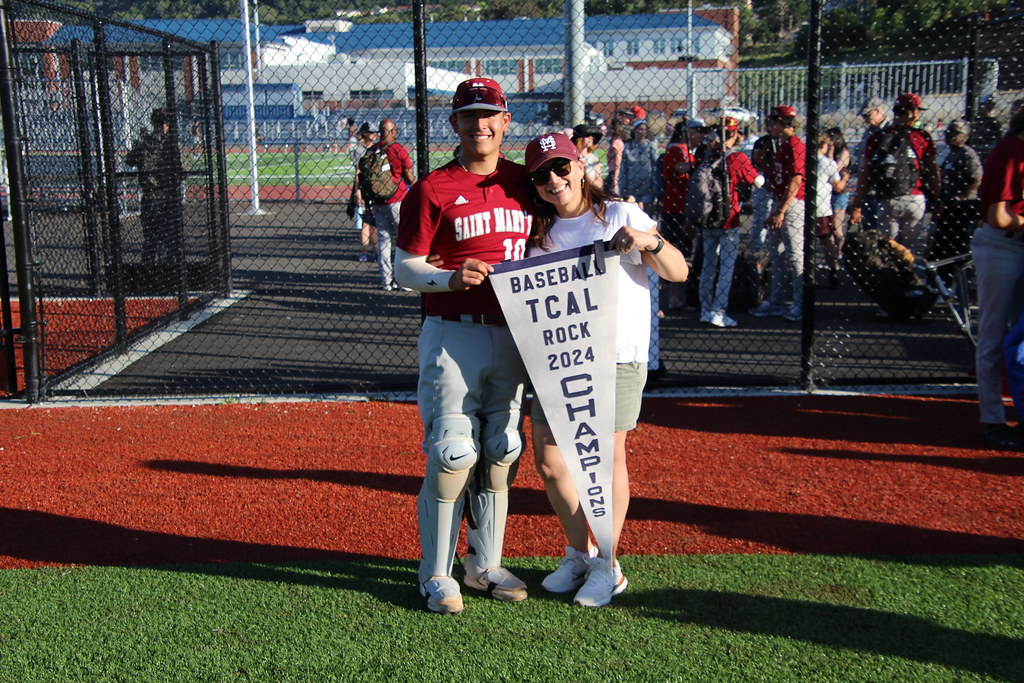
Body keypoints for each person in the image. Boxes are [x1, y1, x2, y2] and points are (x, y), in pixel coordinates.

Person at [523, 132, 688, 606]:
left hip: (616, 354)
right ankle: (580, 551)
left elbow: (677, 271)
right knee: (553, 464)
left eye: (560, 167)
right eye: (541, 175)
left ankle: (608, 563)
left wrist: (649, 240)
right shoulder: (537, 231)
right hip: (558, 356)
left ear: (579, 165)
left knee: (606, 459)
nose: (554, 180)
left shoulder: (619, 214)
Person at [394, 77, 534, 615]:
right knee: (454, 453)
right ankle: (435, 574)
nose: (480, 124)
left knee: (502, 450)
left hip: (517, 334)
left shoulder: (527, 182)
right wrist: (450, 278)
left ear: (505, 120)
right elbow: (407, 267)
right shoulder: (431, 189)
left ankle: (485, 563)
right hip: (453, 333)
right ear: (453, 123)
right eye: (469, 115)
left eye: (489, 115)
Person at [970, 107, 1024, 449]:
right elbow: (998, 217)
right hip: (1002, 247)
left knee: (1018, 338)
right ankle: (993, 418)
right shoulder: (1011, 151)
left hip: (1015, 244)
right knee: (992, 333)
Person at [849, 93, 941, 260]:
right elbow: (933, 171)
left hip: (887, 198)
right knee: (908, 249)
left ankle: (891, 278)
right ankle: (907, 279)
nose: (918, 115)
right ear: (911, 112)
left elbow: (865, 173)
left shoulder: (878, 137)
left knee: (888, 247)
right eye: (917, 111)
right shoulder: (921, 136)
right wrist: (937, 198)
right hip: (915, 197)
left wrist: (857, 203)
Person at [696, 118, 763, 327]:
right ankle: (719, 311)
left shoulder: (708, 156)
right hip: (729, 219)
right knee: (726, 267)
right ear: (733, 135)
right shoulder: (737, 157)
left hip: (707, 219)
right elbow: (758, 182)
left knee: (708, 266)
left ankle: (705, 309)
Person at [749, 105, 806, 323]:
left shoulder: (794, 145)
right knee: (776, 255)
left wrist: (781, 210)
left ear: (782, 123)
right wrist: (763, 163)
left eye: (773, 122)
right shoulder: (781, 146)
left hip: (791, 204)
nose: (769, 127)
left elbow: (796, 179)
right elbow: (778, 180)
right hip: (780, 201)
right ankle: (776, 301)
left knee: (795, 256)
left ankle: (799, 304)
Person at [361, 118, 415, 290]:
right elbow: (408, 175)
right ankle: (404, 281)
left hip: (377, 202)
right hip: (397, 199)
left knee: (384, 241)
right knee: (403, 240)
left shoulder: (373, 150)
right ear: (393, 132)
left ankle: (386, 281)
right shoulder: (398, 149)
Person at [125, 108, 183, 268]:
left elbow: (129, 160)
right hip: (169, 195)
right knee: (170, 238)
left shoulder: (143, 143)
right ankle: (171, 270)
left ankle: (148, 270)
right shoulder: (172, 145)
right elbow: (183, 171)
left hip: (150, 195)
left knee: (151, 238)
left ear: (152, 123)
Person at [930, 119, 982, 278]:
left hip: (962, 207)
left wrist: (960, 197)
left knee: (957, 245)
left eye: (954, 133)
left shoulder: (967, 153)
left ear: (964, 136)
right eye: (948, 132)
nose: (949, 136)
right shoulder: (952, 154)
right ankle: (943, 278)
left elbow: (977, 177)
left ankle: (959, 278)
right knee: (942, 245)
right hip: (949, 206)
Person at [660, 119, 698, 309]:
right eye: (696, 131)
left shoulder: (689, 150)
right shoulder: (677, 149)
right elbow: (681, 167)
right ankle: (669, 299)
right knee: (674, 252)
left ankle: (679, 298)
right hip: (674, 208)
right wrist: (699, 162)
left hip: (684, 207)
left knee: (684, 252)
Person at [814, 132, 847, 287]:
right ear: (823, 145)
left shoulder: (805, 160)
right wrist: (846, 177)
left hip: (804, 206)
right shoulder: (827, 162)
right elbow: (838, 186)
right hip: (822, 208)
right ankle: (833, 270)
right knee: (827, 241)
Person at [852, 97, 889, 234]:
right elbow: (860, 155)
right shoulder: (868, 132)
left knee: (883, 231)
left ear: (879, 111)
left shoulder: (889, 130)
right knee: (869, 230)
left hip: (882, 188)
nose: (865, 119)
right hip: (867, 187)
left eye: (867, 115)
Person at [747, 119, 778, 255]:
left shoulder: (784, 142)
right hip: (765, 183)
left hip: (780, 184)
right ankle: (756, 250)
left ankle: (775, 251)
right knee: (761, 216)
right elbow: (756, 164)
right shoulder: (763, 142)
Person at [825, 127, 852, 280]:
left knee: (836, 227)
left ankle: (840, 253)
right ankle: (834, 256)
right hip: (828, 192)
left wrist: (829, 153)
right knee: (829, 227)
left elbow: (834, 168)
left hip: (840, 193)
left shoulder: (844, 152)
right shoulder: (828, 153)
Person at [348, 122, 378, 263]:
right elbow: (358, 173)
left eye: (375, 132)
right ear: (365, 133)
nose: (374, 135)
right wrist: (357, 191)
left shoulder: (378, 149)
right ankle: (365, 251)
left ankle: (377, 250)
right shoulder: (359, 150)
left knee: (376, 224)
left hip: (376, 189)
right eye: (371, 132)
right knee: (365, 223)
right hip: (365, 188)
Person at [619, 119, 659, 210]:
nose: (643, 132)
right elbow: (623, 169)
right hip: (631, 186)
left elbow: (656, 164)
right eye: (640, 129)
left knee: (648, 212)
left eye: (645, 129)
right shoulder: (628, 147)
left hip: (648, 186)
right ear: (634, 130)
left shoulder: (650, 146)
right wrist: (622, 186)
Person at [971, 95, 1003, 162]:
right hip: (976, 149)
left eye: (989, 107)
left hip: (988, 150)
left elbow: (998, 140)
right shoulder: (974, 120)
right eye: (982, 106)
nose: (983, 109)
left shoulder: (994, 123)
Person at [571, 123, 604, 188]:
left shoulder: (594, 157)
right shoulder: (572, 157)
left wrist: (587, 182)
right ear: (580, 139)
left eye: (592, 136)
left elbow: (599, 181)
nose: (591, 138)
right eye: (587, 136)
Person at [604, 118, 628, 195]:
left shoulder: (616, 143)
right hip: (615, 172)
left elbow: (618, 161)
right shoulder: (619, 141)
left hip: (614, 173)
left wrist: (615, 179)